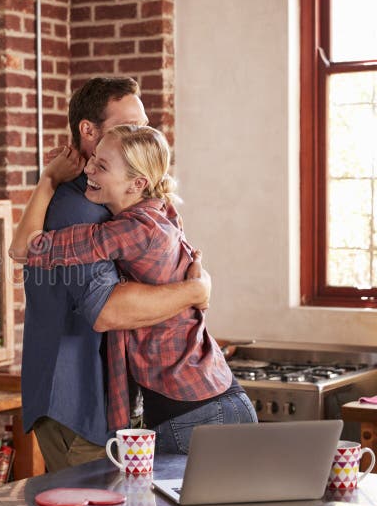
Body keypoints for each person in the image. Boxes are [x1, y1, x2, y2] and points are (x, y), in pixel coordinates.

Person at [13, 124, 257, 456]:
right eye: (93, 159)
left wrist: (49, 181)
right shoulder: (164, 213)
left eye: (101, 165)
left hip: (189, 413)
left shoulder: (132, 230)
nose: (88, 170)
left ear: (137, 183)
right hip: (224, 398)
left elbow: (28, 249)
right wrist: (196, 290)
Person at [17, 77, 214, 472]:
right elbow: (108, 311)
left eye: (144, 126)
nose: (140, 134)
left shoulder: (121, 202)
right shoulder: (78, 208)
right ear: (88, 132)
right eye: (130, 125)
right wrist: (194, 290)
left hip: (104, 402)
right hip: (78, 400)